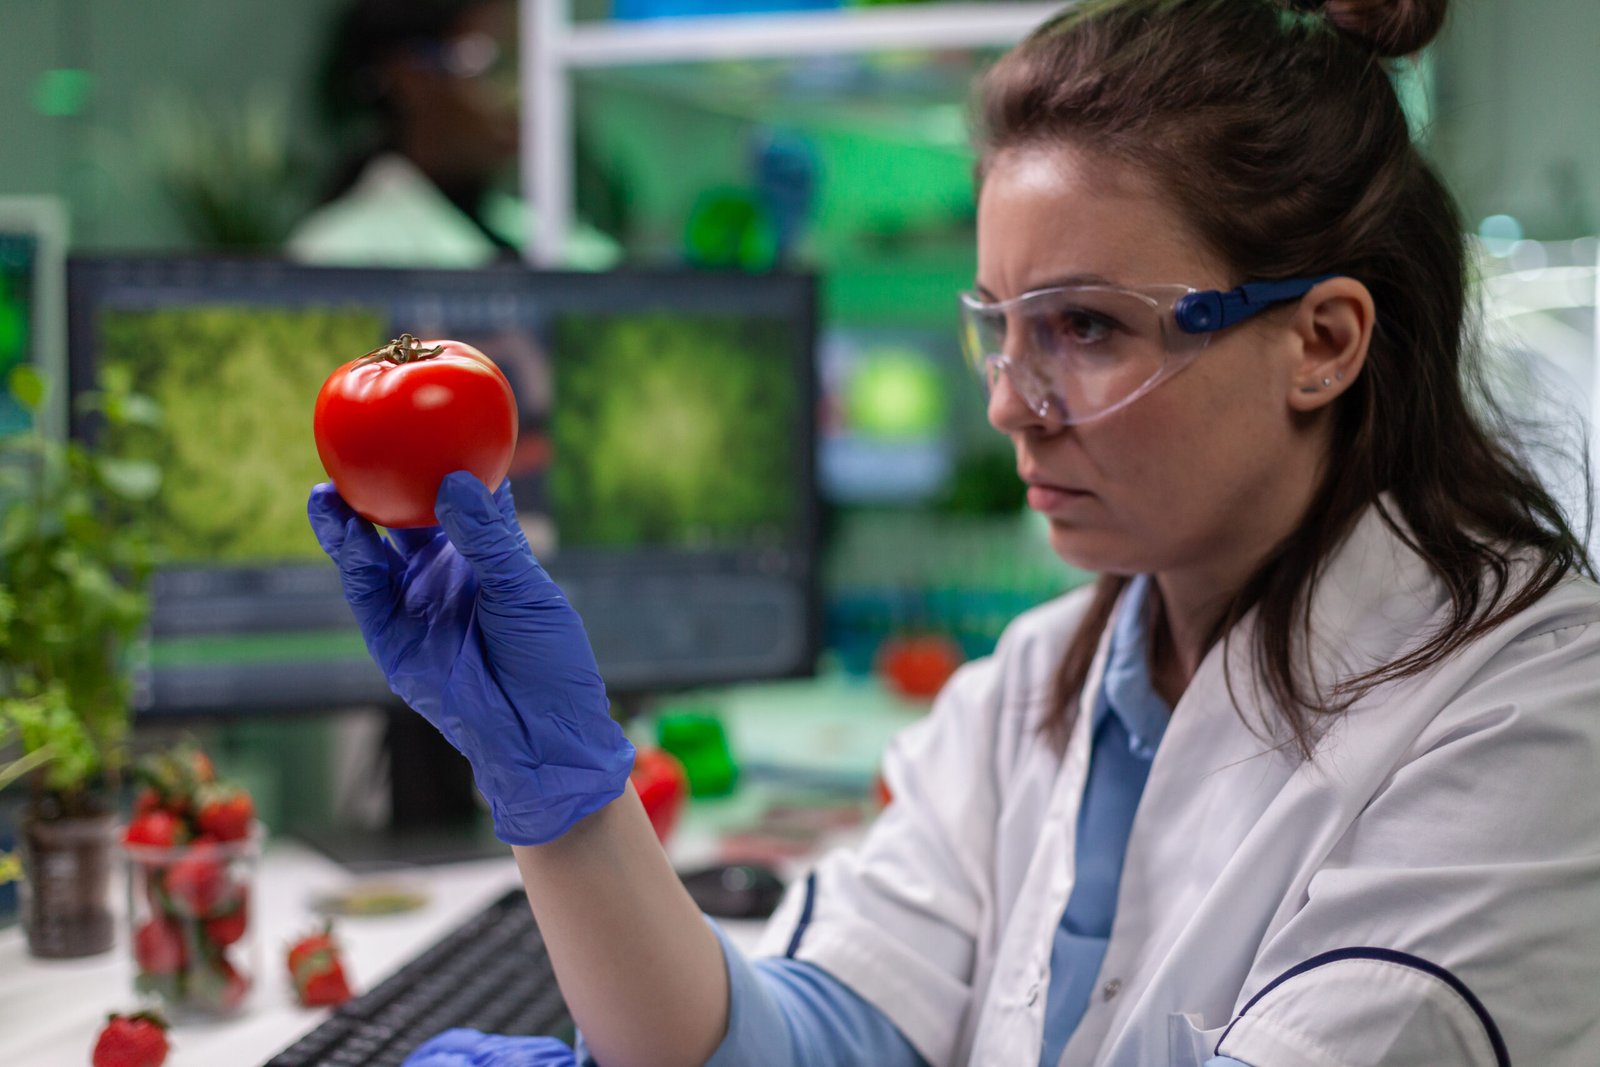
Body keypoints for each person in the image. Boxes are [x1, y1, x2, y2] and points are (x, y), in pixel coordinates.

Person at [308, 0, 1600, 1063]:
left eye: (1086, 325)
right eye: (1002, 323)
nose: (1008, 404)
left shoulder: (1529, 710)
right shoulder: (1035, 686)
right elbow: (806, 1038)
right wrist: (564, 800)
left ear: (1320, 341)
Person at [286, 0, 618, 269]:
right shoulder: (335, 250)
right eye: (495, 65)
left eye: (526, 67)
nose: (521, 96)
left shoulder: (534, 230)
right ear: (410, 78)